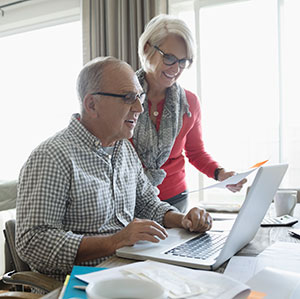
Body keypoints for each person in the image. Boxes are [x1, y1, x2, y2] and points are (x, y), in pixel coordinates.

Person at [15, 56, 212, 283]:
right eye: (128, 98)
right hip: (80, 283)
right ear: (92, 105)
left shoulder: (123, 149)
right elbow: (33, 243)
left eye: (139, 97)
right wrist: (115, 241)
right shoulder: (52, 157)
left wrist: (183, 220)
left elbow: (148, 203)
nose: (139, 108)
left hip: (130, 270)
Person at [132, 14, 246, 212]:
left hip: (176, 200)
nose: (176, 69)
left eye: (183, 61)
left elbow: (195, 152)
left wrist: (221, 174)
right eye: (169, 58)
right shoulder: (123, 97)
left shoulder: (189, 103)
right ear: (146, 48)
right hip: (129, 199)